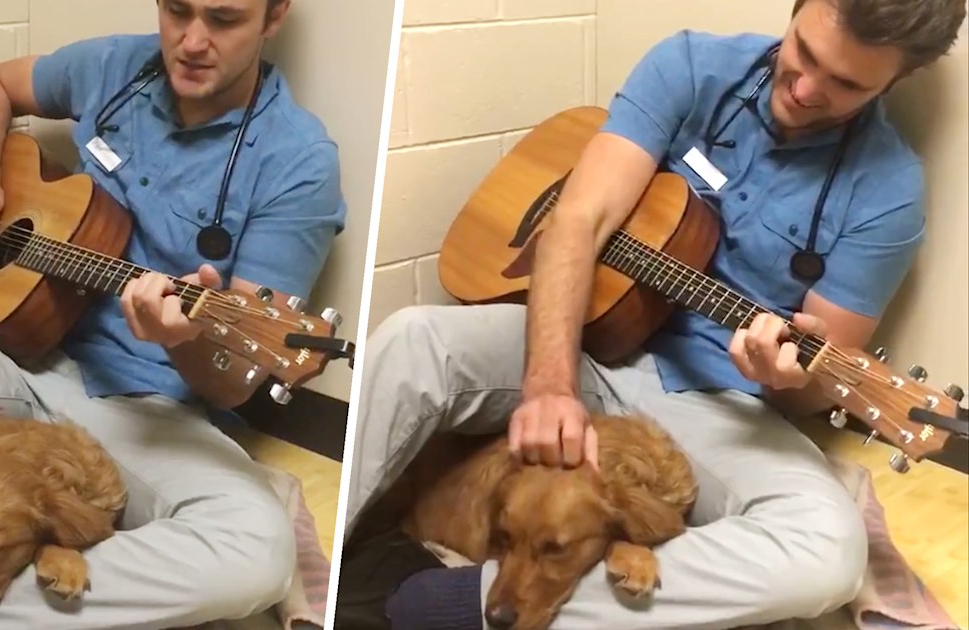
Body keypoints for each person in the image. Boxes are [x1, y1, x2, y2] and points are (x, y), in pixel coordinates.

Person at [337, 0, 965, 628]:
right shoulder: (691, 66)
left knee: (827, 547)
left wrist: (787, 376)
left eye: (846, 83)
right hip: (585, 344)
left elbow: (820, 381)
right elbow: (577, 221)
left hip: (718, 404)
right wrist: (549, 384)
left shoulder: (889, 191)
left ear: (895, 80)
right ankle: (338, 550)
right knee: (412, 337)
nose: (804, 89)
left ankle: (461, 604)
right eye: (803, 52)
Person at [0, 0, 347, 628]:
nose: (192, 40)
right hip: (14, 354)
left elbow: (236, 377)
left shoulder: (299, 162)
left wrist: (181, 341)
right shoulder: (114, 65)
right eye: (177, 11)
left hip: (144, 411)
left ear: (273, 17)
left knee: (255, 552)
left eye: (224, 19)